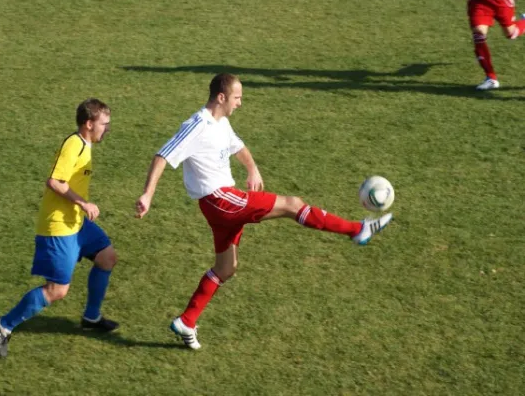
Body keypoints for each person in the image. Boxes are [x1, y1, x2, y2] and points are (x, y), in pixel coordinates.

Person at [135, 73, 393, 350]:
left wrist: (252, 167)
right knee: (292, 204)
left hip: (219, 204)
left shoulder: (221, 123)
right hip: (221, 200)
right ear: (221, 98)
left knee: (226, 267)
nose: (241, 103)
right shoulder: (196, 125)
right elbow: (163, 155)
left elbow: (238, 146)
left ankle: (187, 321)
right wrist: (148, 195)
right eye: (237, 98)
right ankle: (357, 230)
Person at [0, 98, 119, 357]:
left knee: (107, 257)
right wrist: (84, 202)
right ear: (88, 123)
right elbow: (54, 181)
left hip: (77, 222)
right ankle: (4, 326)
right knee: (57, 290)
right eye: (104, 124)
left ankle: (91, 318)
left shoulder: (86, 143)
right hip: (59, 226)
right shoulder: (73, 145)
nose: (107, 129)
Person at [468, 0, 525, 90]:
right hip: (479, 1)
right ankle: (491, 78)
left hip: (500, 0)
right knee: (479, 33)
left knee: (511, 33)